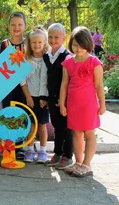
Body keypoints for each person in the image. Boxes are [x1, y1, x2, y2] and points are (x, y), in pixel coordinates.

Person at [59, 26, 106, 177]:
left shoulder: (94, 62)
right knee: (76, 134)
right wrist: (62, 103)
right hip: (73, 105)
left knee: (89, 133)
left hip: (89, 105)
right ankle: (78, 162)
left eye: (80, 45)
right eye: (74, 45)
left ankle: (87, 164)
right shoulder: (68, 62)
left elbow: (99, 85)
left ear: (88, 44)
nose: (77, 48)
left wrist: (102, 105)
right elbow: (64, 84)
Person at [43, 23, 73, 169]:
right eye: (50, 37)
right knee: (57, 127)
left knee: (66, 128)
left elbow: (68, 82)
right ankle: (58, 153)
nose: (53, 40)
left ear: (63, 38)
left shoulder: (67, 57)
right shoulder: (47, 56)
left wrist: (63, 100)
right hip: (52, 98)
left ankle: (68, 155)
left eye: (56, 37)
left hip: (64, 100)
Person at [0, 12, 27, 159]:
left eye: (19, 25)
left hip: (24, 88)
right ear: (9, 26)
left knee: (21, 116)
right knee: (8, 115)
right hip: (7, 88)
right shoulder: (4, 44)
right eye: (13, 25)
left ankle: (20, 146)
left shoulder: (28, 43)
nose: (16, 27)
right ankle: (8, 146)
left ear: (25, 26)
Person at [20, 27, 50, 164]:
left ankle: (43, 150)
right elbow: (23, 81)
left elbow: (51, 79)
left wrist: (47, 98)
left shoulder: (48, 59)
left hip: (43, 98)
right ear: (29, 44)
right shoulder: (27, 60)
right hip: (31, 97)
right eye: (34, 42)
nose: (37, 45)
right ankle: (30, 149)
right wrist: (28, 97)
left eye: (40, 42)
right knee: (31, 124)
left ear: (44, 42)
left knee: (43, 125)